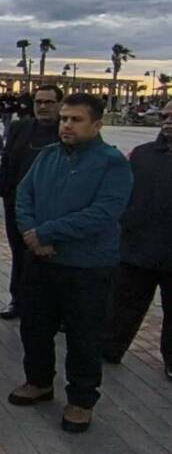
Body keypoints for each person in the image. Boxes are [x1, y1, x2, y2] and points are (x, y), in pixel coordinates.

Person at [10, 93, 133, 433]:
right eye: (64, 118)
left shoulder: (112, 163)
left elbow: (104, 212)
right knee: (34, 326)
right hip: (40, 261)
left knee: (84, 336)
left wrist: (48, 233)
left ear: (96, 124)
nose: (66, 124)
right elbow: (24, 195)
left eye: (75, 119)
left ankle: (81, 400)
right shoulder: (48, 156)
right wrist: (30, 233)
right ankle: (38, 381)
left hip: (88, 267)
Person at [104, 100, 172, 381]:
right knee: (123, 305)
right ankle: (110, 349)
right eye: (166, 115)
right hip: (136, 248)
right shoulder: (141, 155)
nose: (167, 120)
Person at [0, 84, 62, 320]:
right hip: (17, 204)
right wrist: (5, 195)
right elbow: (7, 162)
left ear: (59, 104)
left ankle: (54, 308)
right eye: (39, 102)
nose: (43, 106)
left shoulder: (66, 131)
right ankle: (18, 300)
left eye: (49, 102)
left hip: (52, 209)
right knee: (20, 254)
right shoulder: (19, 128)